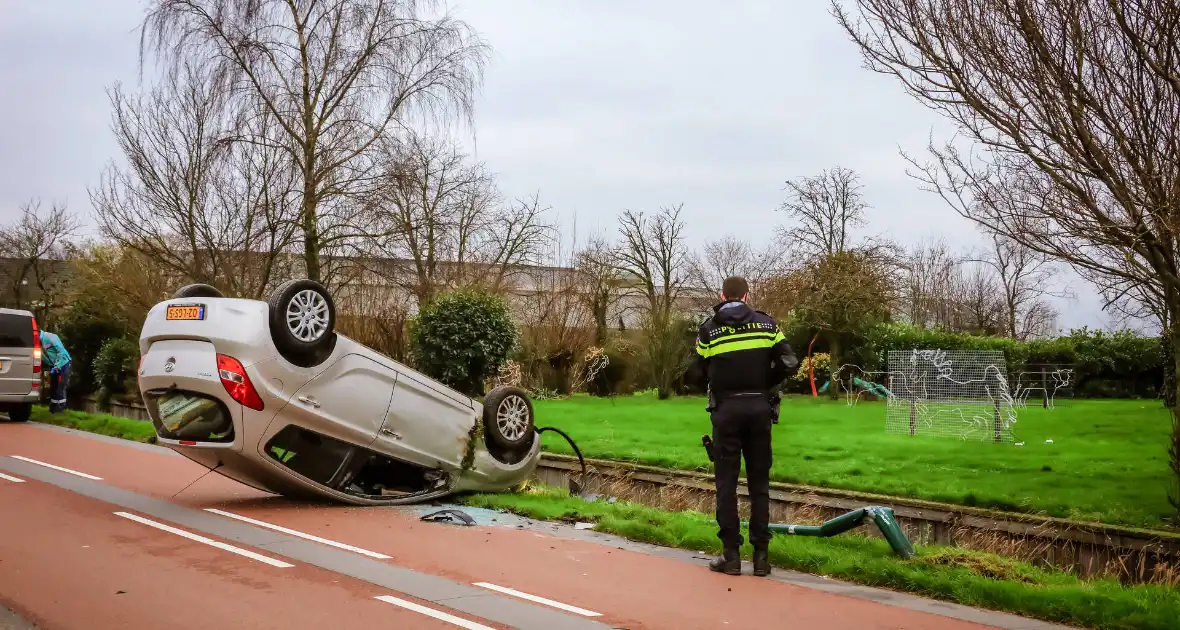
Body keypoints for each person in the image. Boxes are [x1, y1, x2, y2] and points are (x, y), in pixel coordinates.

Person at [692, 276, 797, 577]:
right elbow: (790, 362)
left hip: (726, 411)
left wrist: (716, 381)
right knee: (759, 484)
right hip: (759, 409)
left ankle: (731, 557)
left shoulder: (709, 330)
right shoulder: (768, 325)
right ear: (747, 296)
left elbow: (695, 371)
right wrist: (765, 383)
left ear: (722, 295)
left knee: (726, 484)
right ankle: (762, 558)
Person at [39, 329, 71, 413]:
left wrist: (57, 366)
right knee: (53, 387)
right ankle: (53, 408)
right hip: (53, 366)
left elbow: (60, 351)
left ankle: (60, 409)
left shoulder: (50, 337)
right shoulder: (37, 343)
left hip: (63, 364)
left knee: (60, 387)